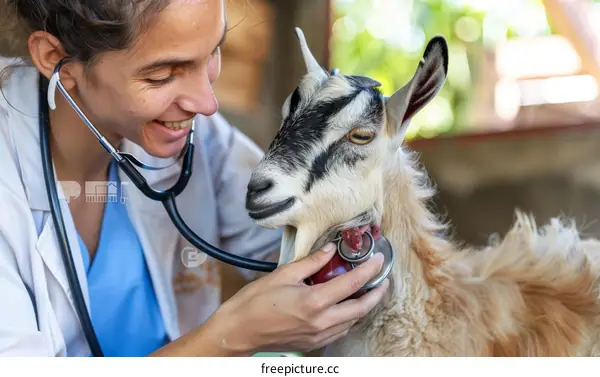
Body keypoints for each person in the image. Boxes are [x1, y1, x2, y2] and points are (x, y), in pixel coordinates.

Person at [0, 0, 389, 357]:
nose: (207, 102)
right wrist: (232, 336)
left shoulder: (196, 137)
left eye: (213, 52)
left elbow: (299, 245)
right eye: (163, 75)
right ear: (56, 60)